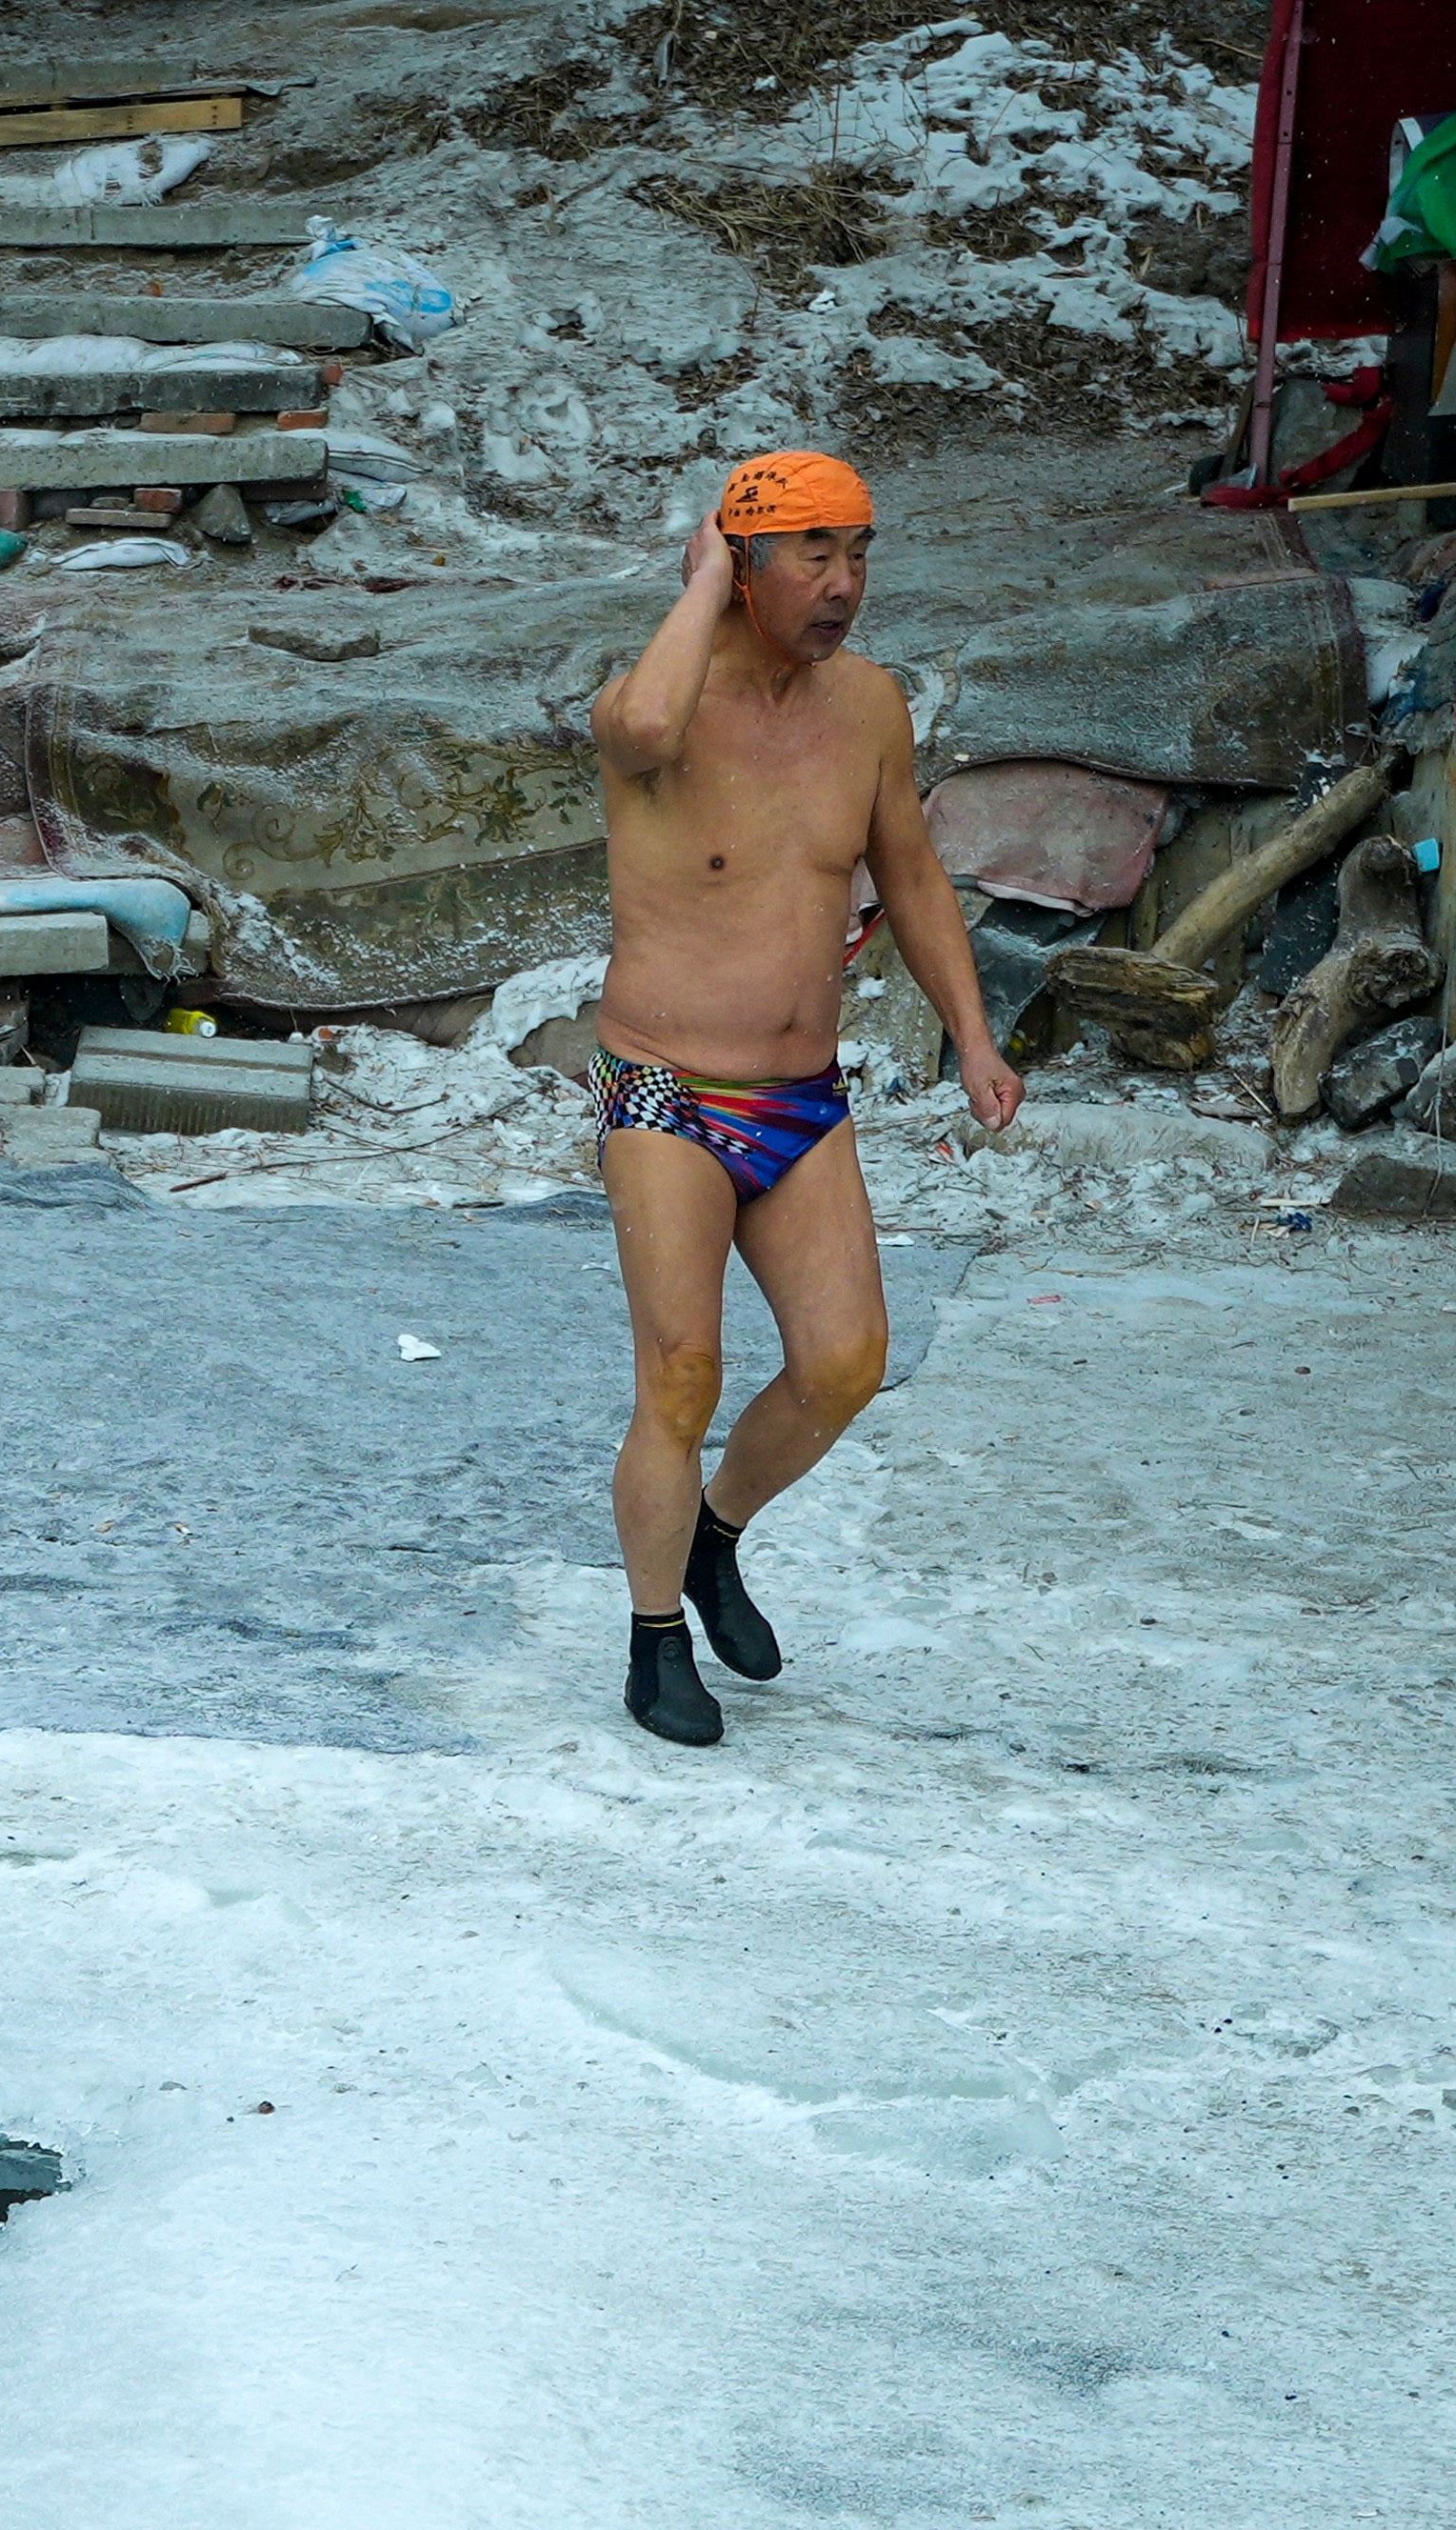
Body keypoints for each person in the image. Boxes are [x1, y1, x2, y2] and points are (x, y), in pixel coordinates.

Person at [582, 451, 1026, 1750]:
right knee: (681, 1375)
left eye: (861, 552)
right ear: (740, 563)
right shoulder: (648, 709)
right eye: (812, 555)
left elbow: (918, 878)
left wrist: (974, 1036)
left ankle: (714, 1539)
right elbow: (647, 731)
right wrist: (705, 576)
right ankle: (655, 1637)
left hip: (802, 1098)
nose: (845, 584)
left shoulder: (869, 707)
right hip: (666, 1087)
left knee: (844, 1365)